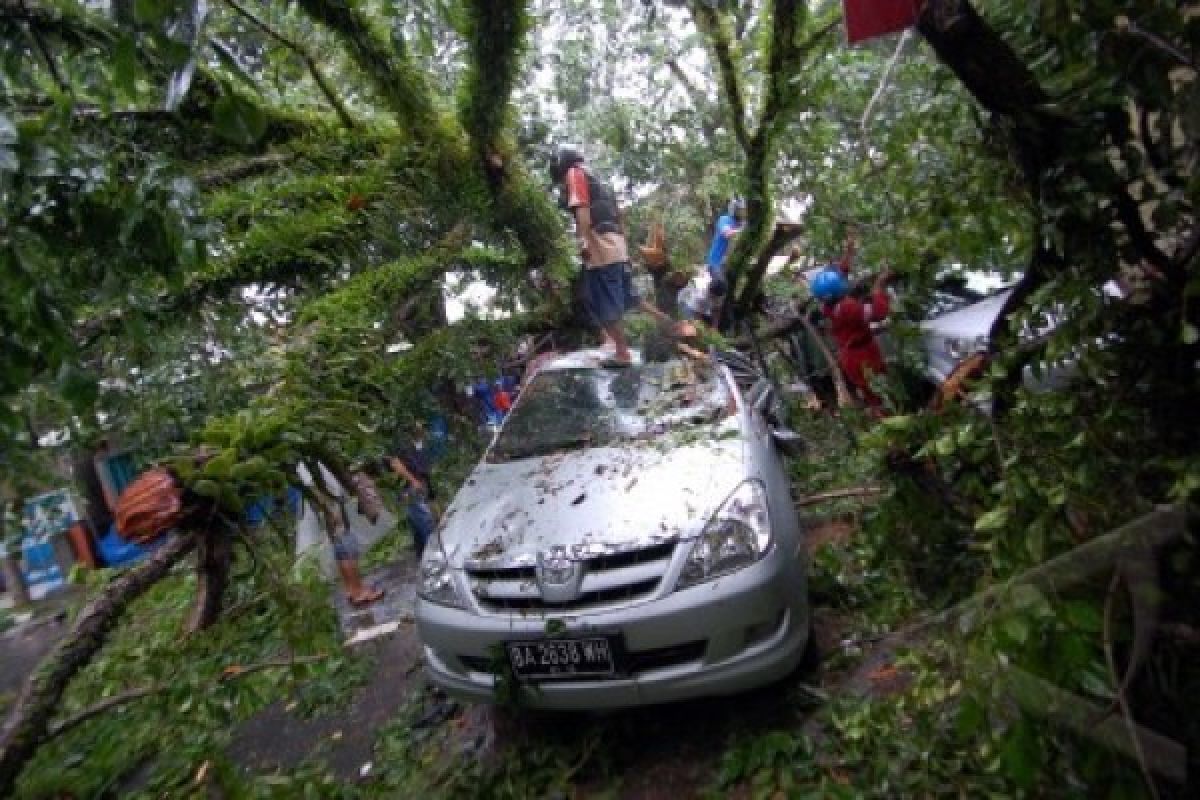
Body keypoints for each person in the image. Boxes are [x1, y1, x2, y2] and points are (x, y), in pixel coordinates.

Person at [550, 147, 685, 367]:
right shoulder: (599, 180)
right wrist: (625, 250)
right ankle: (670, 323)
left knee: (601, 305)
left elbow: (582, 208)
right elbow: (619, 215)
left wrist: (583, 240)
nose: (563, 185)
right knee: (633, 300)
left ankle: (622, 353)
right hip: (617, 248)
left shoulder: (574, 174)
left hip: (601, 251)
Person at [809, 233, 894, 413]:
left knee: (874, 390)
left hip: (851, 354)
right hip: (862, 356)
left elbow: (840, 275)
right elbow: (879, 312)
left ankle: (884, 414)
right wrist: (879, 285)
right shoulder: (848, 308)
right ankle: (887, 419)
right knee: (878, 393)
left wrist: (849, 251)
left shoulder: (828, 304)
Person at [385, 423, 438, 559]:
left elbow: (424, 470)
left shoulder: (417, 445)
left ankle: (423, 558)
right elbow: (395, 463)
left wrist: (429, 492)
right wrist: (413, 481)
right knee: (425, 522)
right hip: (409, 487)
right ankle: (434, 557)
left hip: (418, 485)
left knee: (418, 526)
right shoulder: (399, 443)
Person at [707, 198, 747, 279]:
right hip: (715, 262)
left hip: (729, 263)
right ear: (734, 209)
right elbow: (727, 233)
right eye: (740, 209)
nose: (742, 212)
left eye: (743, 210)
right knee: (720, 285)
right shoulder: (724, 219)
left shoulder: (741, 223)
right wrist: (743, 229)